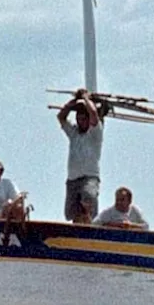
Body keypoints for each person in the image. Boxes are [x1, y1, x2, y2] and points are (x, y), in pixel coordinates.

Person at [57, 88, 103, 223]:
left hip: (89, 177)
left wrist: (86, 98)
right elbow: (61, 117)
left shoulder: (94, 133)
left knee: (88, 198)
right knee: (71, 212)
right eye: (78, 118)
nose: (80, 121)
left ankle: (90, 225)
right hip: (72, 179)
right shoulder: (74, 133)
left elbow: (94, 113)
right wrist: (72, 103)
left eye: (84, 118)